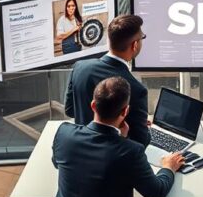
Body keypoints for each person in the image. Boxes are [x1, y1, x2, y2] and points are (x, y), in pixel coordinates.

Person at [51, 77, 185, 197]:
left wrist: (121, 140)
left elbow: (57, 162)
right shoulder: (131, 151)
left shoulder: (64, 133)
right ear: (125, 111)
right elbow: (156, 192)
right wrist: (168, 167)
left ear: (93, 105)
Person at [64, 14, 151, 146]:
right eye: (142, 37)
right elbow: (140, 142)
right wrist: (144, 128)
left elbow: (70, 110)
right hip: (113, 157)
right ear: (134, 45)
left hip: (80, 148)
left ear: (109, 40)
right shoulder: (136, 89)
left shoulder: (80, 67)